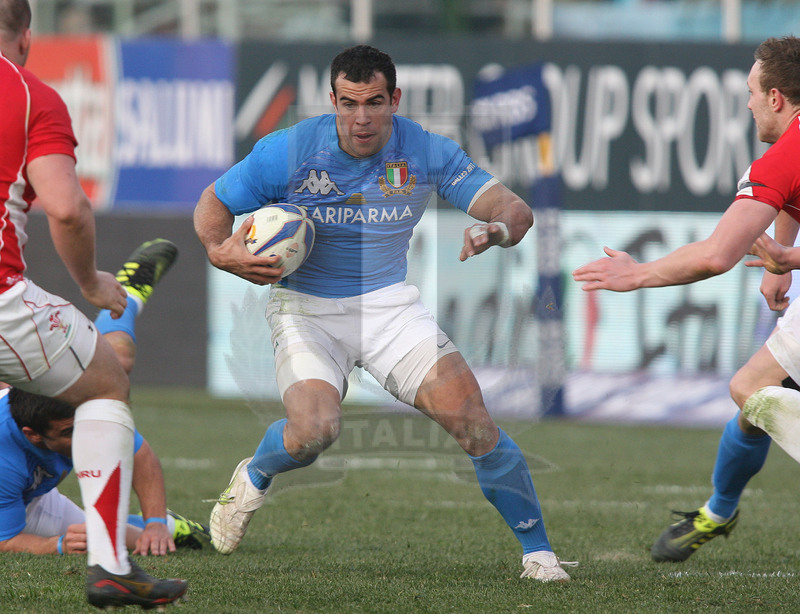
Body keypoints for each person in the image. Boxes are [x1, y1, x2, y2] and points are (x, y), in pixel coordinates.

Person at [194, 44, 577, 581]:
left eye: (374, 102)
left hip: (388, 308)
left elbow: (513, 208)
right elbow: (213, 202)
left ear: (394, 99)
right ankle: (255, 475)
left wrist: (495, 229)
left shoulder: (425, 150)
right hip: (306, 308)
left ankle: (538, 555)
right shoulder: (288, 150)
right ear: (332, 101)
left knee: (474, 424)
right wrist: (220, 252)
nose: (362, 117)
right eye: (349, 103)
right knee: (314, 431)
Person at [572, 36, 800, 563]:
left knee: (750, 392)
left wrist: (637, 274)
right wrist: (786, 255)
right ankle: (718, 512)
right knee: (754, 399)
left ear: (775, 98)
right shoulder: (786, 158)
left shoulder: (780, 160)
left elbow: (718, 255)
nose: (747, 103)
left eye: (751, 92)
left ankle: (718, 511)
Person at [0, 1, 187, 607]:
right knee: (108, 380)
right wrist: (89, 283)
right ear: (27, 37)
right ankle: (110, 565)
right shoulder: (30, 95)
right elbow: (66, 208)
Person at [0, 240, 211, 557]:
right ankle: (173, 526)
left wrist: (155, 524)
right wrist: (54, 545)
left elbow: (140, 456)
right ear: (33, 435)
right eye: (69, 431)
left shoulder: (81, 412)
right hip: (16, 503)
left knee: (118, 360)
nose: (88, 434)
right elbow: (5, 541)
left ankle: (126, 295)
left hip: (23, 316)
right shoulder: (5, 461)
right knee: (104, 538)